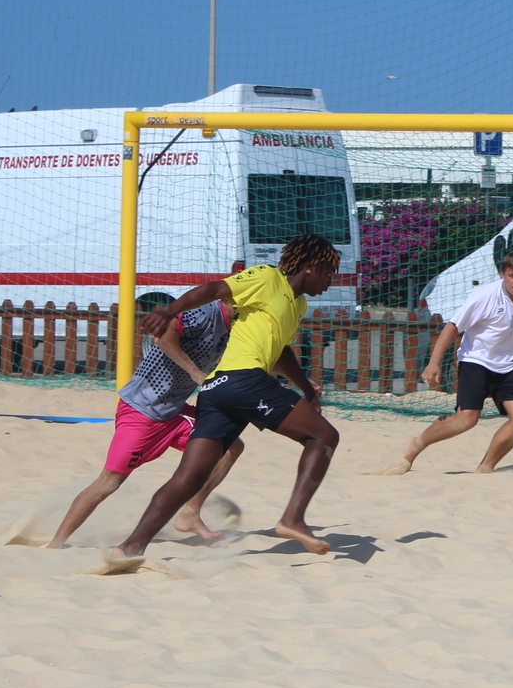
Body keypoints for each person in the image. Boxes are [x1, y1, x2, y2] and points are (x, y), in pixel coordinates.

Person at [110, 233, 341, 559]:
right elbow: (214, 290)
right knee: (324, 435)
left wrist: (304, 386)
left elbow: (280, 352)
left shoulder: (298, 304)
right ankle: (293, 519)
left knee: (188, 478)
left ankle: (130, 547)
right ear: (310, 267)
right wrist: (170, 310)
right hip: (243, 380)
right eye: (329, 272)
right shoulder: (266, 277)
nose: (331, 281)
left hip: (217, 391)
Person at [48, 299, 242, 549]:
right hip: (141, 410)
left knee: (231, 446)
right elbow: (162, 333)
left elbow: (267, 353)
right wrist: (193, 371)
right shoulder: (205, 313)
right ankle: (56, 543)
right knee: (108, 483)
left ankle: (191, 513)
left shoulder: (239, 325)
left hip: (174, 412)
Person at [386, 249, 513, 475]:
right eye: (512, 275)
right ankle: (417, 443)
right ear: (503, 275)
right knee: (467, 420)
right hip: (475, 360)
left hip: (508, 365)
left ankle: (486, 467)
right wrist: (434, 363)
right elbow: (453, 326)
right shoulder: (485, 295)